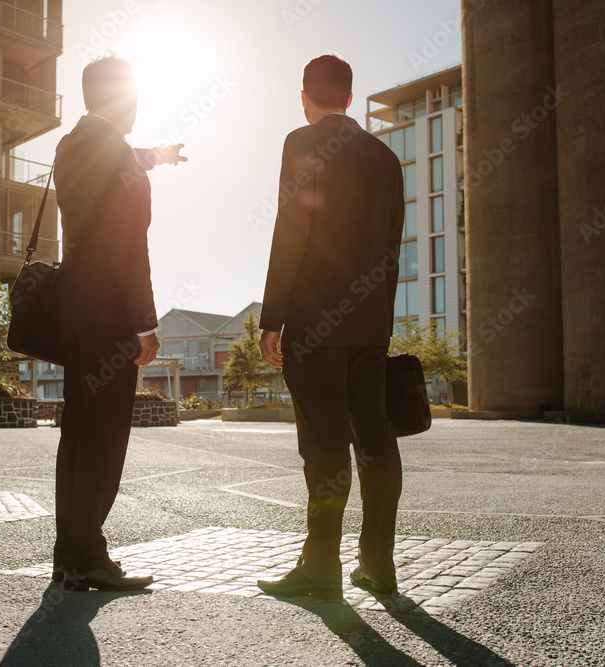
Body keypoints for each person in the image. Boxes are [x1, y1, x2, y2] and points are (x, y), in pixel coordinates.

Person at [256, 54, 405, 600]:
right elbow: (392, 251)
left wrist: (273, 318)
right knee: (376, 439)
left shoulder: (302, 142)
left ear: (305, 95)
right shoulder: (386, 159)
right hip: (368, 325)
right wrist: (380, 323)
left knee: (323, 445)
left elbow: (290, 231)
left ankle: (320, 568)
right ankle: (377, 565)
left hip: (317, 322)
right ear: (348, 95)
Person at [51, 53, 185, 591]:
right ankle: (89, 556)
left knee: (78, 431)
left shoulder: (72, 144)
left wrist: (159, 156)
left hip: (73, 308)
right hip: (109, 312)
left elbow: (121, 163)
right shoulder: (116, 153)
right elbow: (128, 243)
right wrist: (144, 322)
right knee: (104, 437)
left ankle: (68, 553)